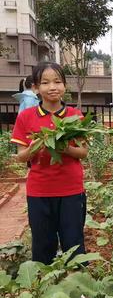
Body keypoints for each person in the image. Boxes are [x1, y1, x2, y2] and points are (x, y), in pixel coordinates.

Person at [10, 62, 88, 264]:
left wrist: (65, 149)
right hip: (39, 192)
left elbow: (83, 152)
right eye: (45, 82)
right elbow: (20, 156)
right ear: (35, 88)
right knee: (43, 244)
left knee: (74, 242)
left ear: (64, 86)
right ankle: (47, 292)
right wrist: (34, 148)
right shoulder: (26, 117)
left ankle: (78, 291)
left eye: (58, 81)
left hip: (71, 190)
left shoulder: (75, 116)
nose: (52, 87)